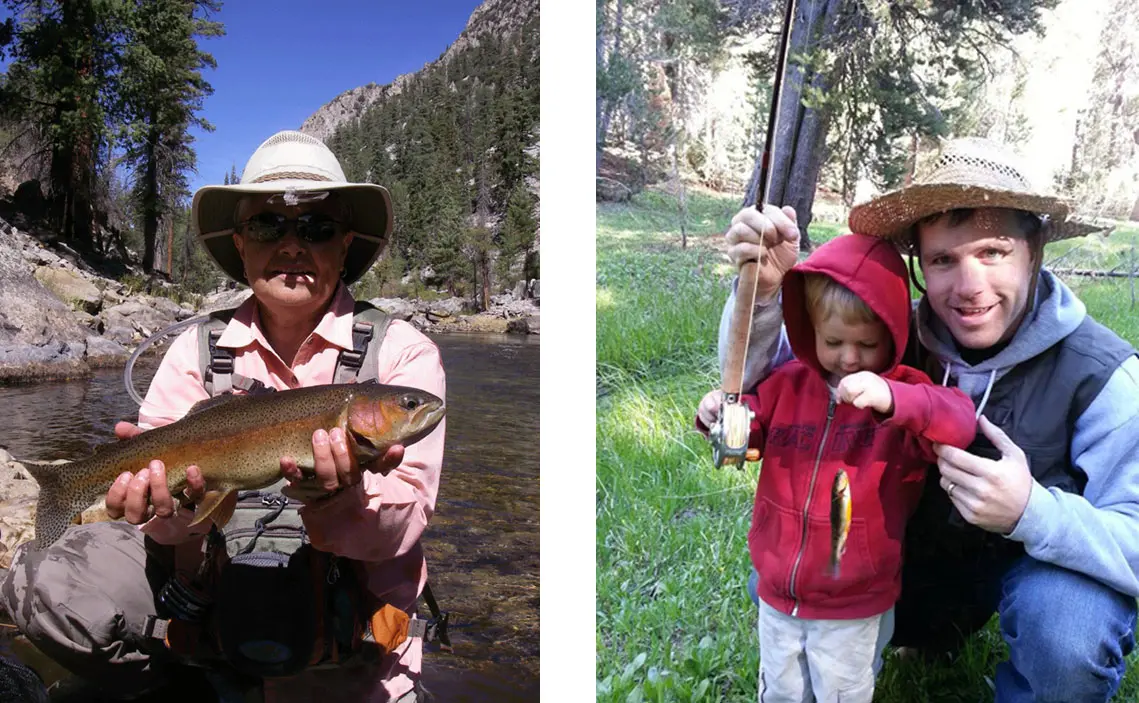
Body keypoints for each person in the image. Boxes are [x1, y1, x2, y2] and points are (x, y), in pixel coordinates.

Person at [0, 130, 446, 702]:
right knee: (53, 587)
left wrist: (339, 499)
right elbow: (162, 529)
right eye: (267, 225)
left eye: (316, 228)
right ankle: (178, 665)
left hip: (351, 646)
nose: (292, 244)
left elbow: (404, 530)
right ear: (240, 243)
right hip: (210, 603)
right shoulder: (194, 348)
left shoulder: (404, 354)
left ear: (345, 244)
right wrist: (163, 510)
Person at [702, 137, 1139, 702]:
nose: (969, 286)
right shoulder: (885, 335)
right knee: (785, 574)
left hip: (1040, 564)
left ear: (1035, 250)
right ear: (917, 266)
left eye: (993, 252)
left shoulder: (1104, 374)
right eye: (942, 260)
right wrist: (758, 295)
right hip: (912, 557)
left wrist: (1032, 511)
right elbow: (767, 373)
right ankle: (926, 631)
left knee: (1069, 631)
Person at [697, 232, 977, 701]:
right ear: (810, 331)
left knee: (842, 691)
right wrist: (718, 416)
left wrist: (893, 398)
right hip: (778, 590)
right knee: (781, 690)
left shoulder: (907, 393)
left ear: (892, 333)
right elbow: (748, 437)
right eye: (833, 341)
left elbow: (958, 423)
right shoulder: (787, 385)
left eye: (867, 344)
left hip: (854, 601)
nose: (849, 358)